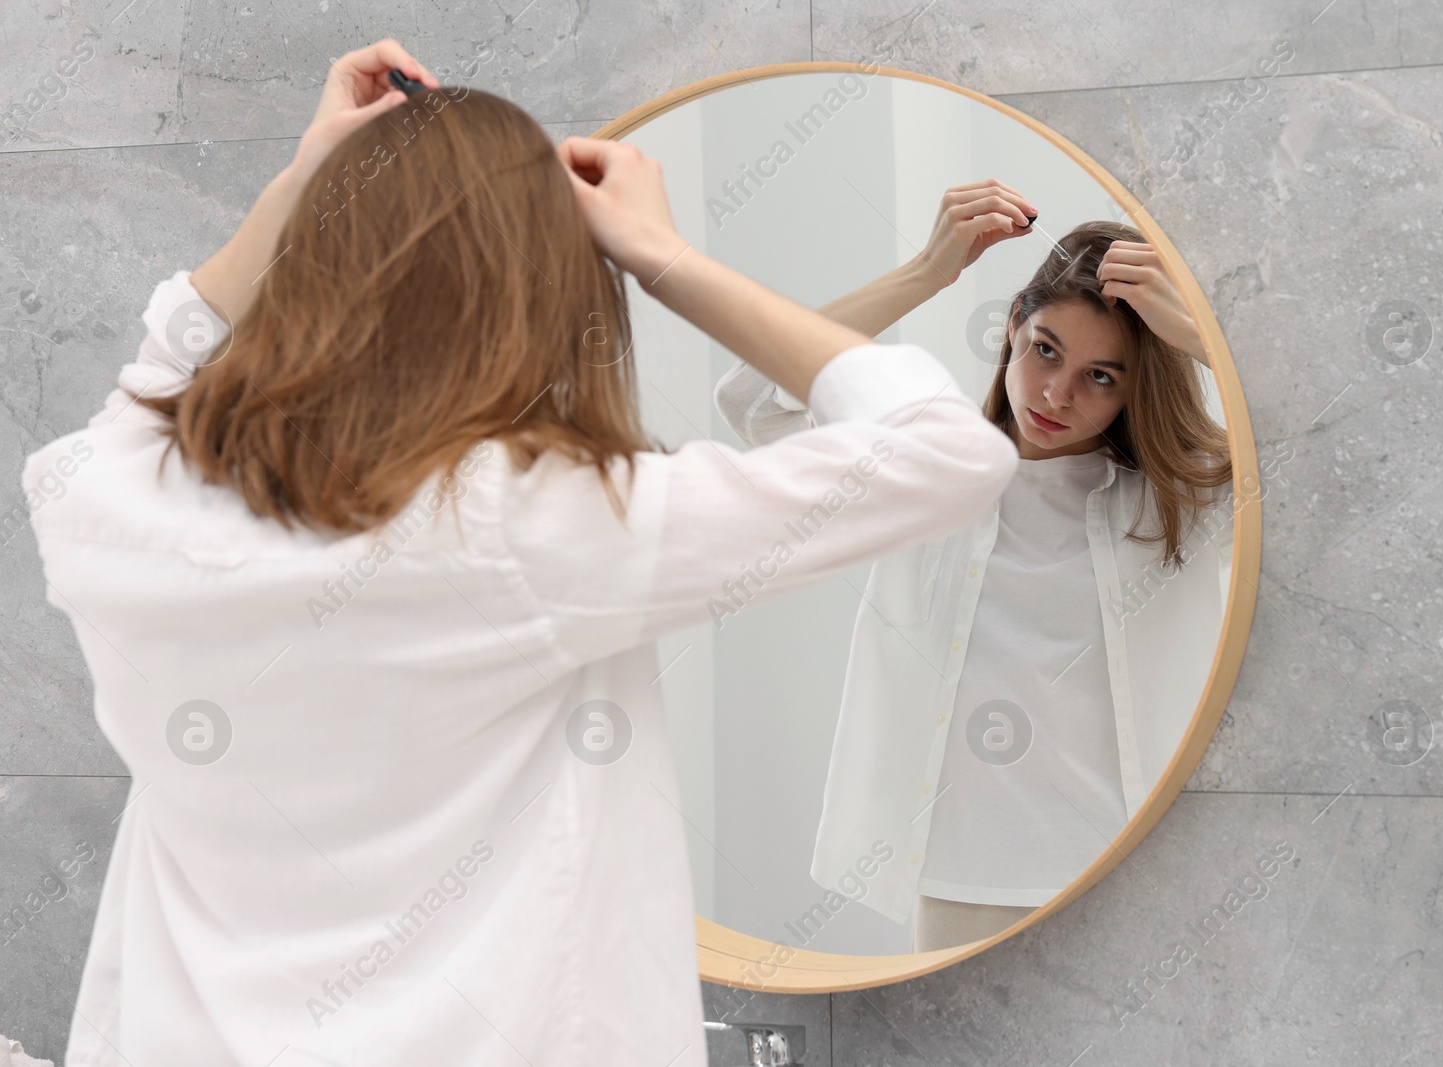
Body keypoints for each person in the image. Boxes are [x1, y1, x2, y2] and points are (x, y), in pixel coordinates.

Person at [21, 42, 1019, 1065]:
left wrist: (308, 179)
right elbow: (943, 450)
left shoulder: (105, 502)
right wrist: (660, 253)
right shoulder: (537, 522)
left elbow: (151, 379)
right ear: (546, 291)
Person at [714, 181, 1235, 952]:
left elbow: (1323, 466)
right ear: (1011, 332)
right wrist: (927, 270)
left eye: (1102, 375)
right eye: (1045, 350)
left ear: (1135, 390)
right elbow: (753, 396)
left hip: (1130, 869)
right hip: (961, 876)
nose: (1056, 392)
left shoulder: (1183, 502)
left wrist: (1199, 336)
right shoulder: (927, 467)